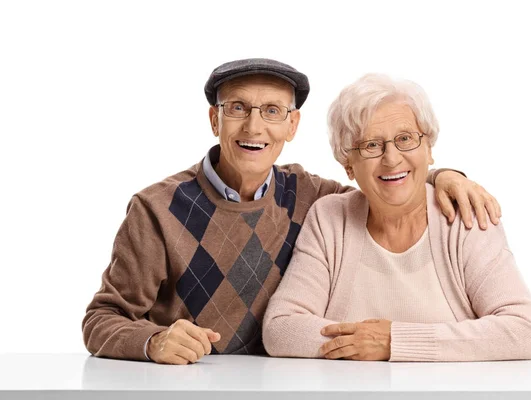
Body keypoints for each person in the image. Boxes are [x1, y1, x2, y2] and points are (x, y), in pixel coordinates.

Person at [83, 59, 502, 365]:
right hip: (190, 387)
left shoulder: (310, 196)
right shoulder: (156, 209)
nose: (253, 127)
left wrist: (445, 174)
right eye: (237, 109)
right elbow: (101, 317)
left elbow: (383, 179)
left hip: (282, 383)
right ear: (215, 119)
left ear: (292, 125)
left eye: (272, 111)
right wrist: (152, 341)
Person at [263, 73, 531, 362]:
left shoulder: (464, 217)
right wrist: (367, 342)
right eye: (371, 145)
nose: (392, 158)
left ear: (429, 149)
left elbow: (524, 330)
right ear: (348, 165)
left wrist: (394, 342)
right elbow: (281, 328)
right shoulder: (330, 218)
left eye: (405, 139)